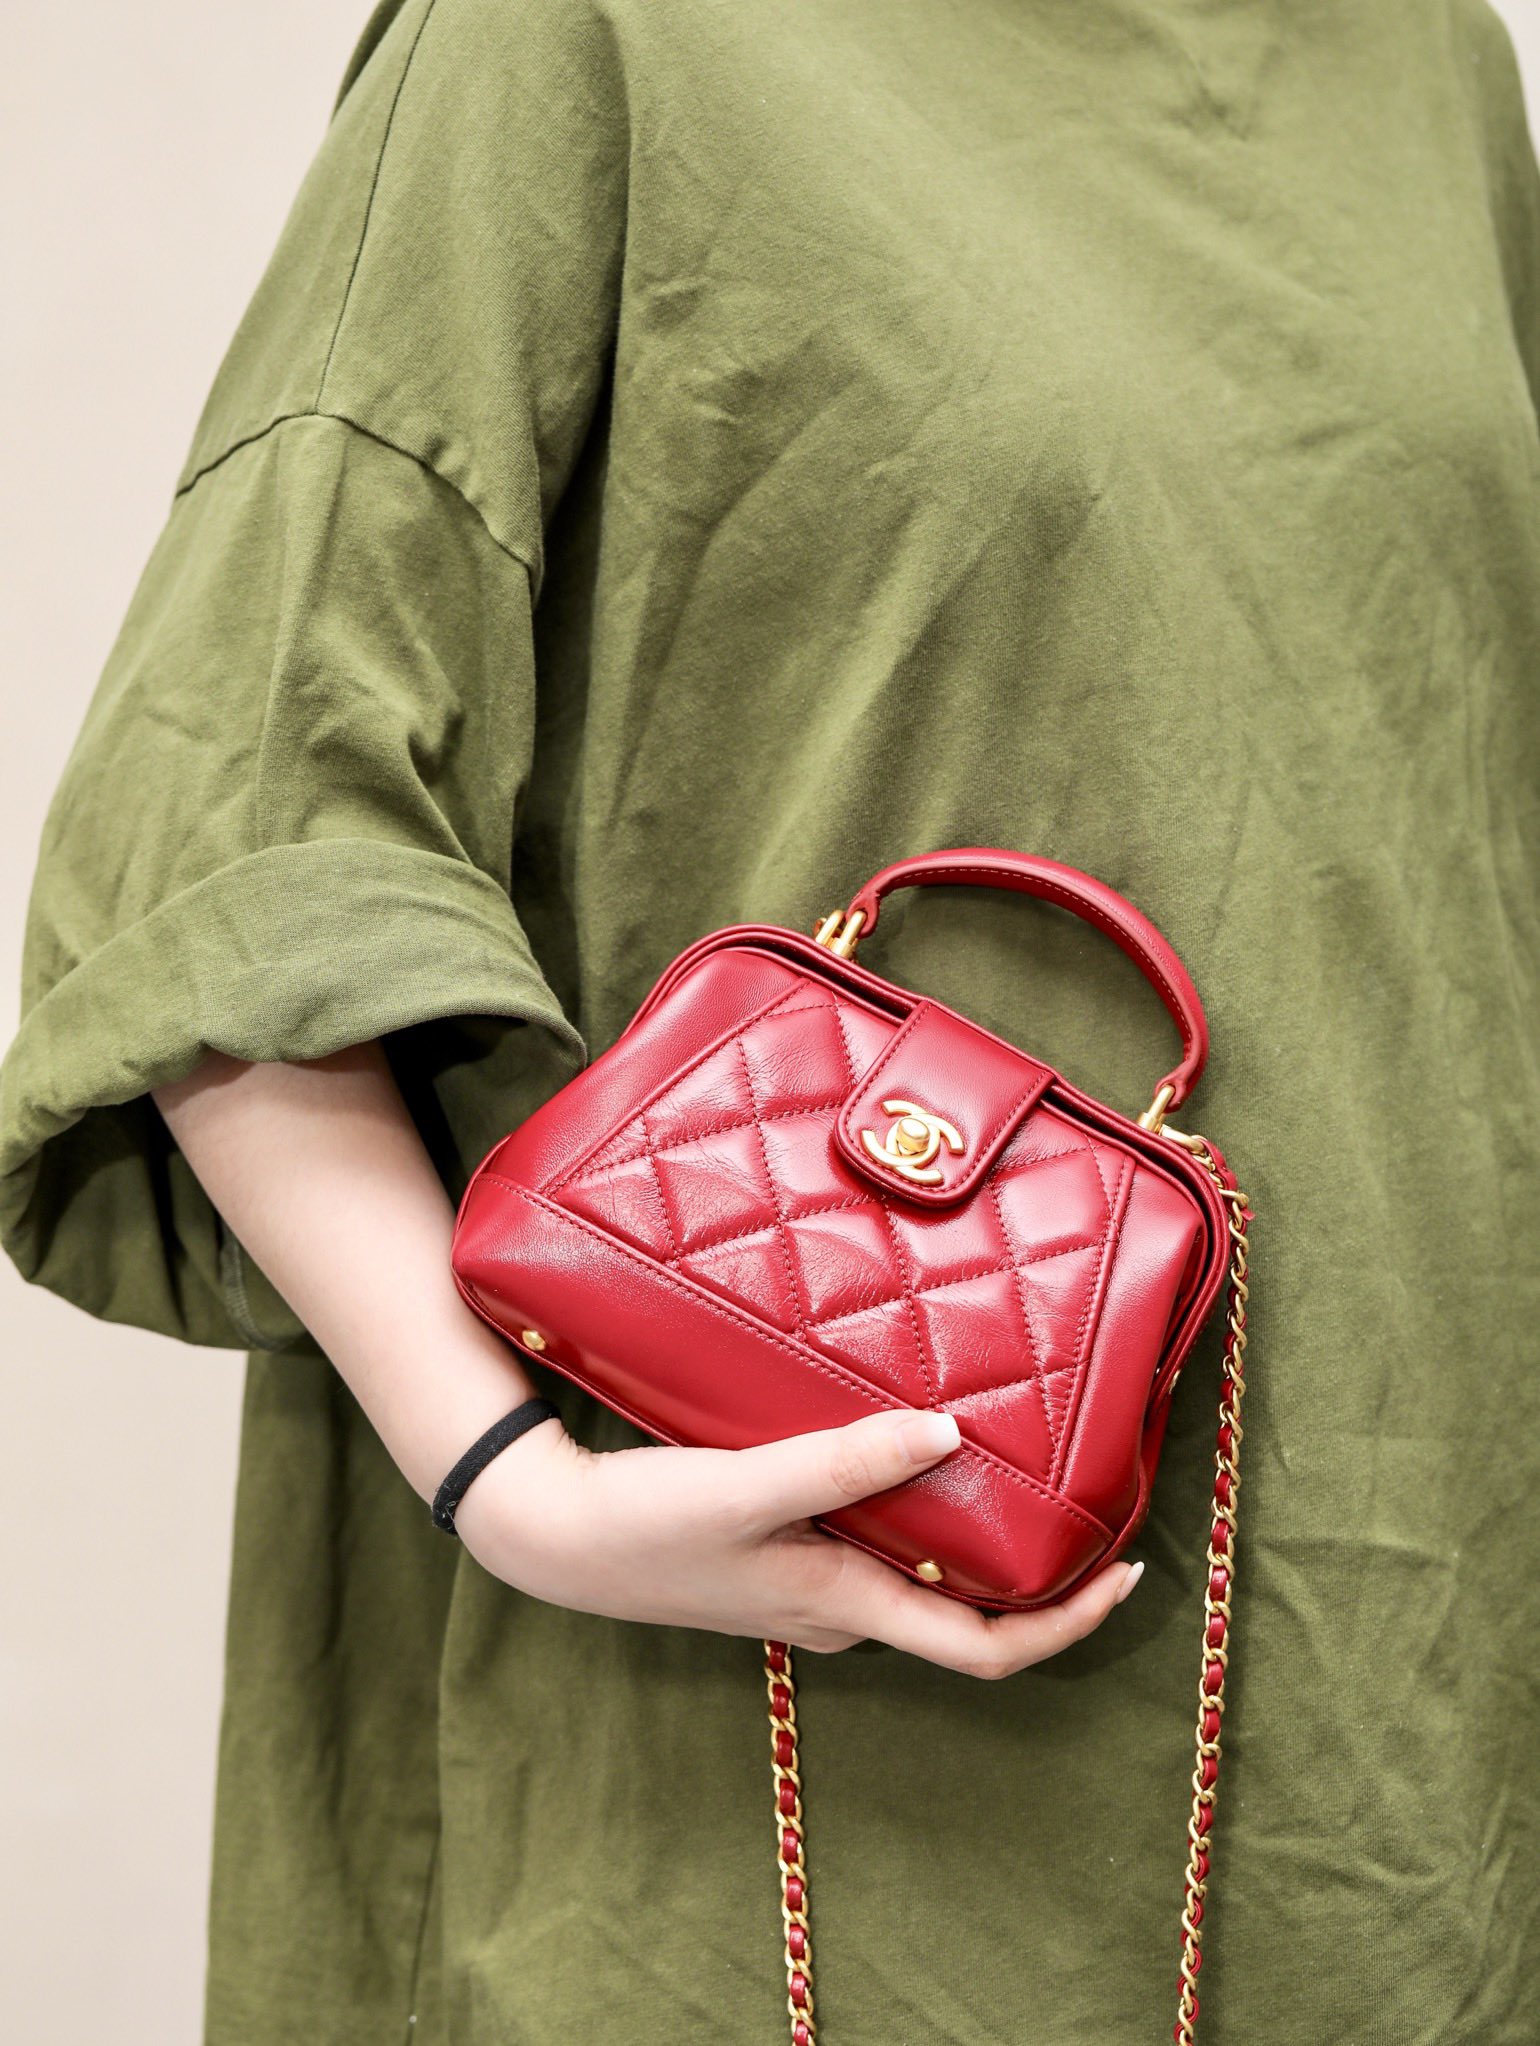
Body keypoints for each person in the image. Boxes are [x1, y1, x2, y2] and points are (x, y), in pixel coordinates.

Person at [4, 0, 1539, 2038]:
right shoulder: (585, 34)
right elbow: (243, 824)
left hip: (1408, 1642)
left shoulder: (1427, 61)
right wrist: (516, 1485)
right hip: (775, 1703)